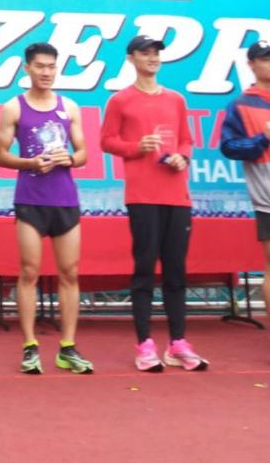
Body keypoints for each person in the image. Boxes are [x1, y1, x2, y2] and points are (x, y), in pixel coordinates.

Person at [101, 34, 208, 372]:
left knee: (176, 271)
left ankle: (178, 343)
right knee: (145, 268)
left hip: (177, 195)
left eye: (156, 53)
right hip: (142, 196)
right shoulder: (120, 100)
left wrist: (182, 157)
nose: (153, 58)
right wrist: (136, 147)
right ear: (131, 58)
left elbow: (186, 140)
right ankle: (144, 344)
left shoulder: (175, 99)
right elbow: (106, 141)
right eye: (145, 53)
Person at [0, 42, 94, 375]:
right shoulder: (14, 107)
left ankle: (68, 347)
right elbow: (1, 156)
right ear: (27, 68)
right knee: (28, 273)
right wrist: (30, 162)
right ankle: (29, 346)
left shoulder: (70, 107)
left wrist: (71, 159)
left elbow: (83, 153)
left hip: (65, 200)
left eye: (51, 67)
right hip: (30, 200)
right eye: (40, 66)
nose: (46, 72)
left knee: (70, 273)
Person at [220, 40, 270, 324]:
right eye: (265, 59)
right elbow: (229, 147)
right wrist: (263, 139)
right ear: (251, 64)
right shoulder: (240, 105)